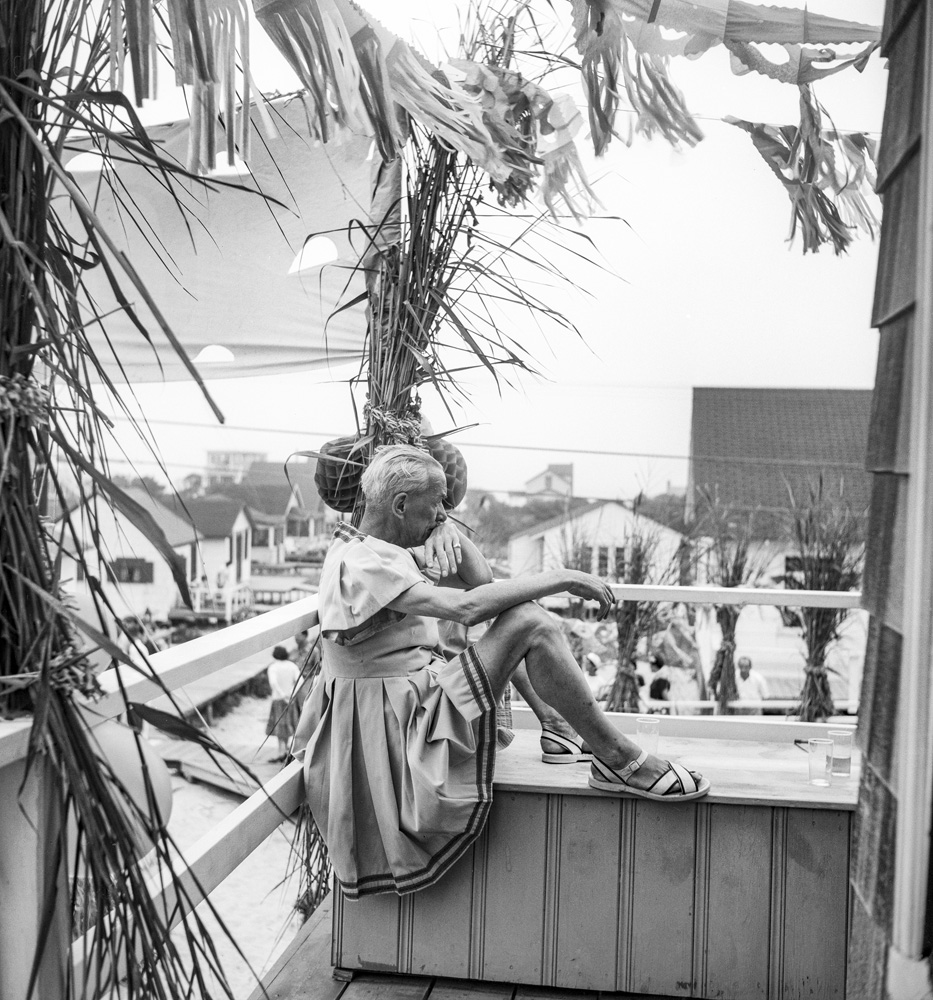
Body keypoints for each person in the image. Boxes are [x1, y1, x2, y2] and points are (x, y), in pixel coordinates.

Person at [292, 445, 709, 900]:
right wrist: (563, 577)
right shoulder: (365, 561)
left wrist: (442, 527)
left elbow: (479, 577)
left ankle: (575, 736)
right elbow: (470, 607)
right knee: (530, 621)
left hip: (404, 703)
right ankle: (619, 758)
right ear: (399, 505)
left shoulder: (378, 546)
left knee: (523, 617)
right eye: (437, 505)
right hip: (397, 728)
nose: (443, 515)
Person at [266, 645, 301, 762]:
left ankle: (281, 751)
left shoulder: (273, 667)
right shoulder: (292, 666)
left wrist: (282, 694)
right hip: (290, 700)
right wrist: (291, 693)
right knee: (287, 725)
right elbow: (300, 681)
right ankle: (284, 751)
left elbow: (273, 683)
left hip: (278, 699)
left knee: (280, 726)